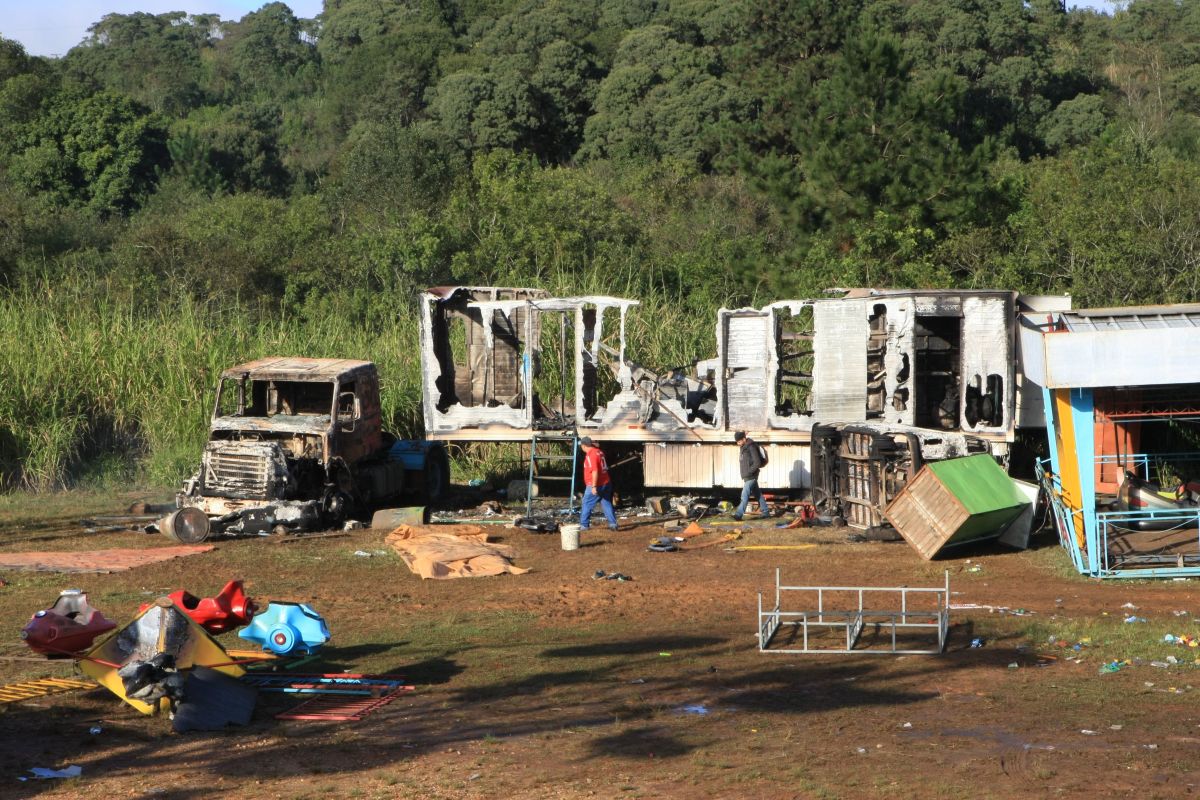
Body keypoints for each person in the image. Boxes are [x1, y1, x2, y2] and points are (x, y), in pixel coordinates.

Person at [579, 436, 618, 531]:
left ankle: (584, 525)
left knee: (586, 503)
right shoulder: (599, 451)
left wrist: (594, 486)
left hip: (597, 483)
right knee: (606, 502)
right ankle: (613, 524)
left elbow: (595, 471)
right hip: (606, 481)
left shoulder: (590, 455)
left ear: (584, 446)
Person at [733, 431, 770, 521]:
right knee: (758, 494)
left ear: (744, 439)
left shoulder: (751, 446)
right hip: (748, 476)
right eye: (737, 442)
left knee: (744, 495)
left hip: (751, 476)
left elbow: (757, 462)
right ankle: (765, 512)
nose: (738, 443)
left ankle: (738, 514)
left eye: (739, 441)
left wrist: (749, 472)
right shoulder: (743, 447)